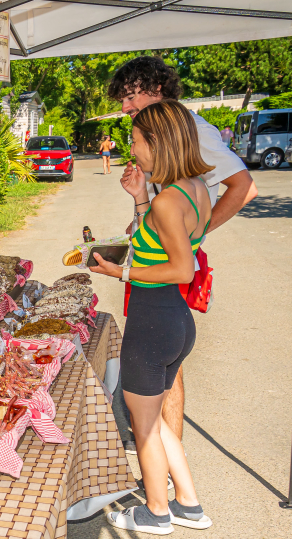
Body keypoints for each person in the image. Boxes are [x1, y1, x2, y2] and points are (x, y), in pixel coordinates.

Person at [106, 56, 257, 449]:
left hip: (168, 265)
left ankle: (165, 466)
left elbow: (244, 187)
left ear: (156, 89)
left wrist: (188, 238)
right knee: (160, 365)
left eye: (129, 96)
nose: (124, 108)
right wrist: (146, 216)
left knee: (161, 364)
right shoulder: (159, 130)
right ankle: (166, 464)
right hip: (157, 256)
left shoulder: (191, 128)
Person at [90, 100, 213, 535]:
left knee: (143, 428)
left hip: (153, 322)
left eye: (137, 141)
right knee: (159, 422)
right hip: (175, 323)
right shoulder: (192, 189)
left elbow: (181, 268)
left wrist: (117, 271)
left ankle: (156, 512)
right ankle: (189, 503)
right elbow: (156, 241)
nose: (133, 149)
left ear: (158, 142)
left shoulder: (169, 201)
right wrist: (141, 197)